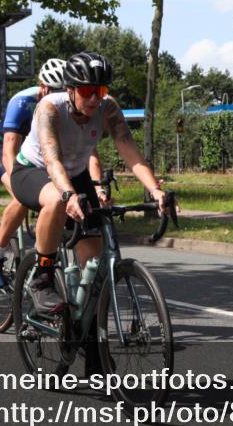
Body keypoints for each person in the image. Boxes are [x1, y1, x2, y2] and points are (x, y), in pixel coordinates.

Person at [11, 52, 168, 315]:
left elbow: (129, 149)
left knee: (93, 257)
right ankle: (42, 277)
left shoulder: (108, 107)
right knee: (56, 200)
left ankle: (88, 325)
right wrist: (69, 196)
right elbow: (52, 161)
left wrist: (155, 190)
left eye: (101, 90)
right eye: (86, 91)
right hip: (33, 170)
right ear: (70, 90)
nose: (95, 98)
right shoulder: (50, 107)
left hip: (75, 174)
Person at [0, 58, 102, 289]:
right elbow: (9, 151)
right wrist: (22, 190)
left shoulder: (70, 106)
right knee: (23, 199)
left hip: (44, 153)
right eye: (51, 90)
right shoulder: (22, 101)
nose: (56, 96)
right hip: (4, 149)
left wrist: (97, 186)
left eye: (60, 91)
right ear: (42, 87)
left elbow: (90, 153)